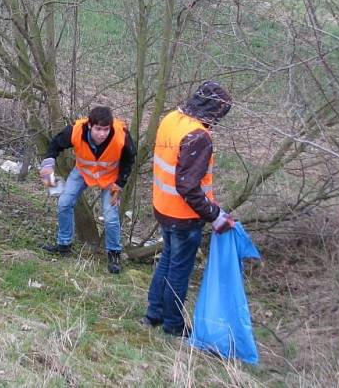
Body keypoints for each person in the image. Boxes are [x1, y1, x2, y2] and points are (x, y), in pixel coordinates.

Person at [142, 80, 236, 337]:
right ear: (215, 110)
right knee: (179, 270)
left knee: (167, 262)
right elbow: (188, 187)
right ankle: (173, 325)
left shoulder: (171, 119)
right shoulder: (198, 136)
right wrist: (215, 215)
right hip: (184, 216)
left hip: (163, 206)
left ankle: (154, 315)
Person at [38, 106, 136, 275]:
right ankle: (64, 245)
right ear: (90, 126)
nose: (102, 134)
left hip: (110, 178)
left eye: (106, 129)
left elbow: (129, 159)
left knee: (111, 216)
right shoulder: (75, 130)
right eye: (98, 129)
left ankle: (114, 255)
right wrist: (48, 163)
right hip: (82, 172)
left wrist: (120, 184)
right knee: (64, 203)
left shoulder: (121, 134)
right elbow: (55, 144)